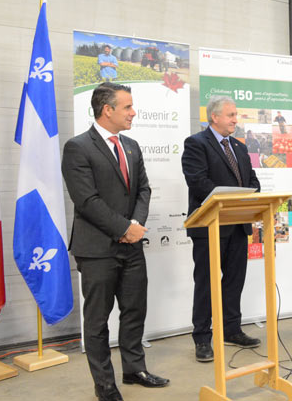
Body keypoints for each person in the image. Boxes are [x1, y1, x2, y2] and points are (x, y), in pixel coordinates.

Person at [62, 83, 169, 401]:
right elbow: (87, 200)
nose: (133, 112)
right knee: (97, 320)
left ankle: (134, 369)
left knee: (135, 310)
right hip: (96, 249)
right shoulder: (78, 147)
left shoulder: (132, 146)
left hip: (132, 245)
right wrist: (124, 228)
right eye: (128, 107)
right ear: (107, 109)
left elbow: (144, 190)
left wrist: (134, 226)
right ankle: (105, 385)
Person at [181, 96, 261, 362]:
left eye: (236, 115)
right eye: (231, 115)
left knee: (234, 282)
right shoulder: (196, 144)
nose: (235, 120)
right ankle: (202, 338)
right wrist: (232, 199)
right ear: (214, 117)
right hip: (210, 226)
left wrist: (250, 195)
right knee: (206, 284)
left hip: (238, 226)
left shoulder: (239, 146)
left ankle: (231, 330)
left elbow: (252, 180)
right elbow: (198, 182)